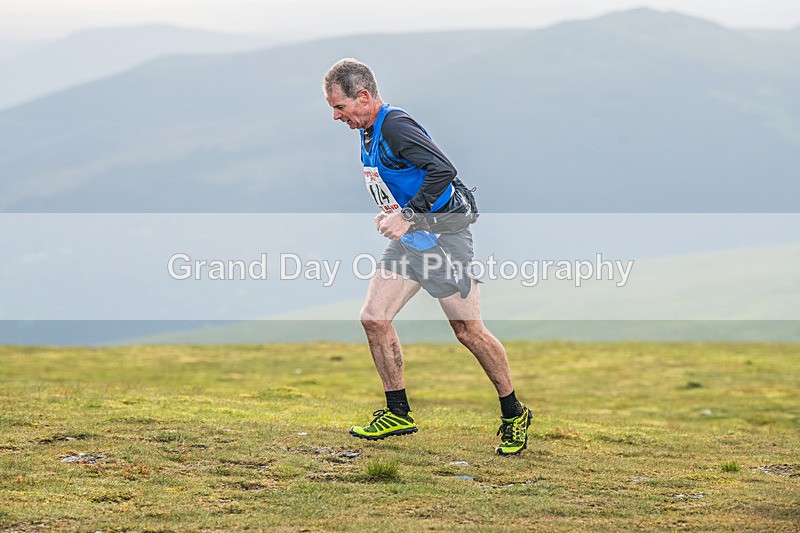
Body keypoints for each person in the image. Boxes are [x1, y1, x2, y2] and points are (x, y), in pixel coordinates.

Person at [322, 58, 532, 455]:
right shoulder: (366, 131)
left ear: (363, 96)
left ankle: (513, 413)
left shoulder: (396, 125)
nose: (336, 116)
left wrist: (407, 214)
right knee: (373, 318)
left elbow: (442, 169)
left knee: (469, 332)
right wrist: (396, 214)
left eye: (341, 107)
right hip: (410, 242)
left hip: (444, 239)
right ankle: (398, 412)